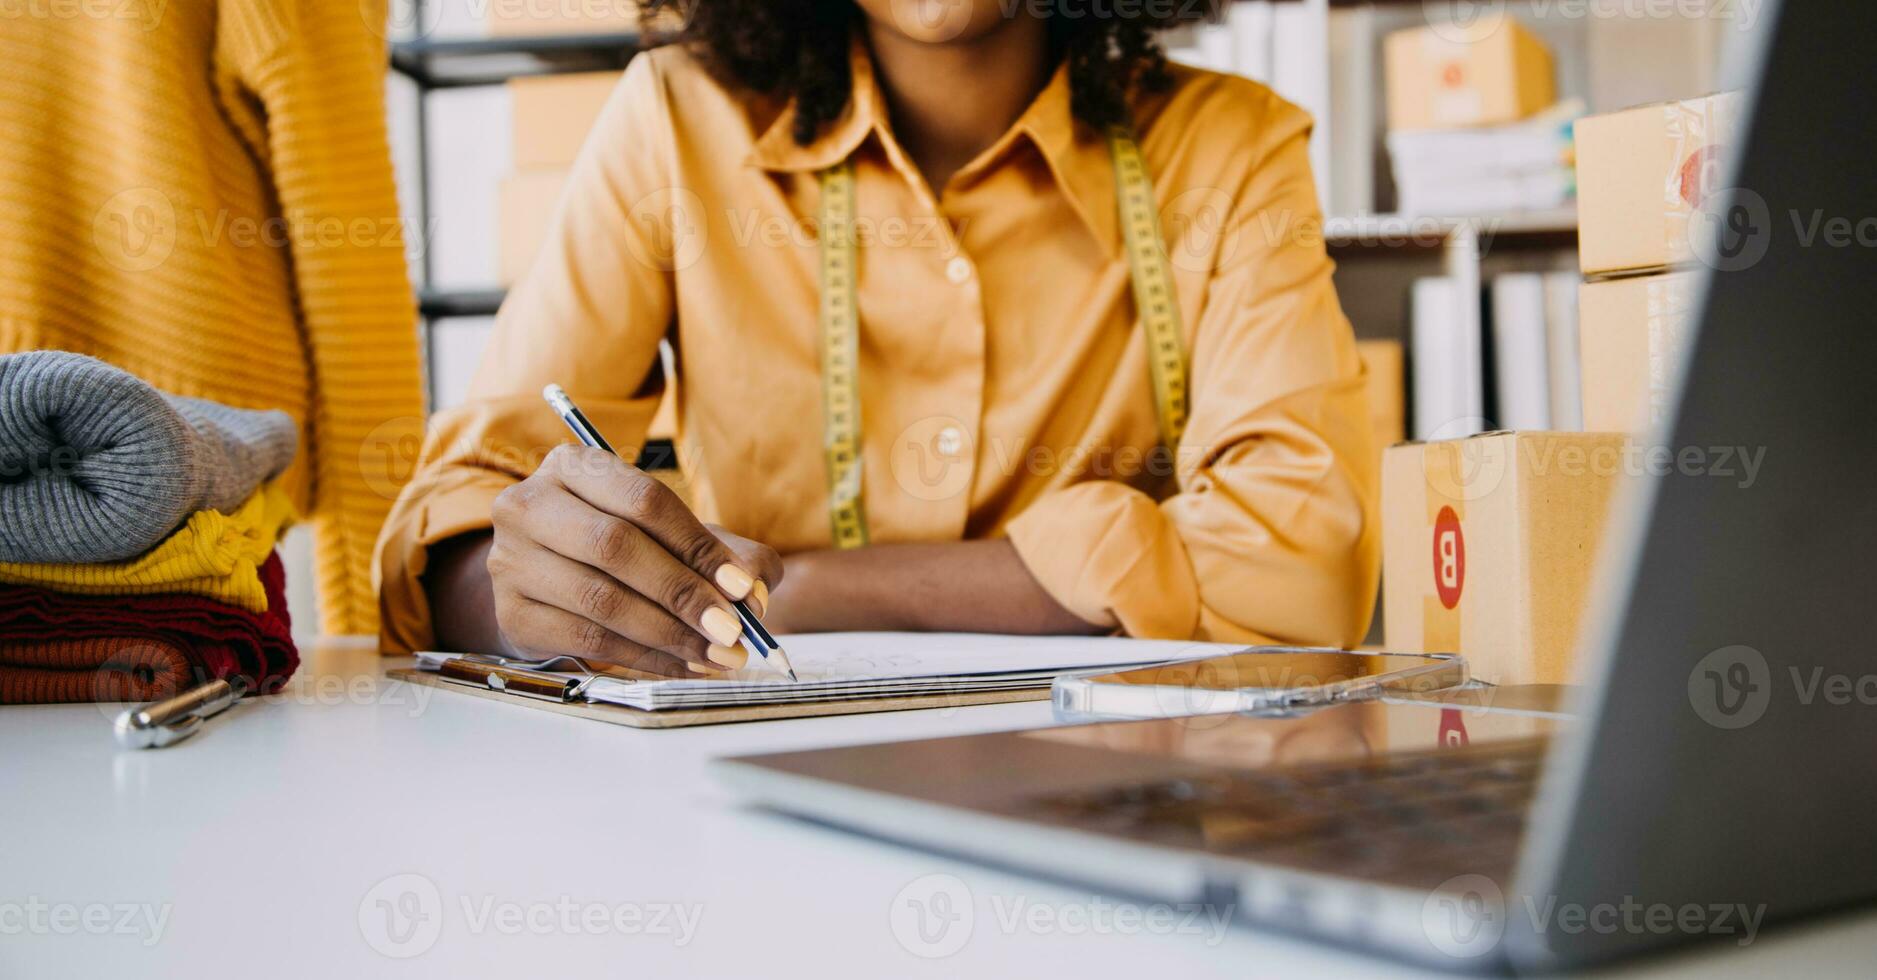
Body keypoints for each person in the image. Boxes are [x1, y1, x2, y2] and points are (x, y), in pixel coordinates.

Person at [376, 0, 1379, 676]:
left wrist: (798, 588)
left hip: (1116, 797)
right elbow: (457, 525)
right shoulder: (673, 124)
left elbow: (1301, 574)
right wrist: (530, 581)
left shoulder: (1230, 148)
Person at [0, 1, 425, 636]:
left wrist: (375, 608)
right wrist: (380, 620)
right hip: (198, 424)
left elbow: (345, 250)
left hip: (192, 449)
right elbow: (349, 248)